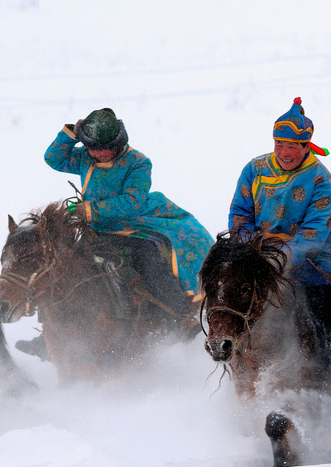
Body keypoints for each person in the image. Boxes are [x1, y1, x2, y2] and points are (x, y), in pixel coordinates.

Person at [37, 108, 213, 336]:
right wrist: (71, 134)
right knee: (62, 264)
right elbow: (53, 159)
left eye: (105, 149)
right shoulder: (84, 158)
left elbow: (133, 201)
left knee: (149, 257)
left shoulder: (138, 162)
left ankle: (181, 315)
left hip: (134, 224)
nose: (100, 154)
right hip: (95, 228)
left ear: (118, 143)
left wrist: (91, 210)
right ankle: (47, 333)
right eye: (94, 149)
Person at [229, 97, 331, 366]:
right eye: (279, 144)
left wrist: (280, 259)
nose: (284, 153)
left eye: (292, 146)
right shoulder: (254, 169)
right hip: (257, 248)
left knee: (327, 299)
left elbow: (313, 232)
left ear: (305, 146)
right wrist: (251, 249)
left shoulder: (320, 179)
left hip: (313, 250)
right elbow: (240, 214)